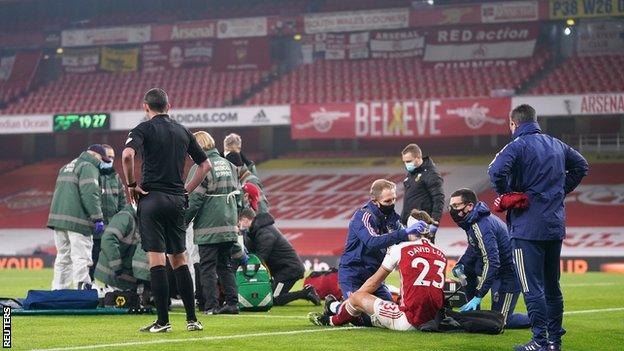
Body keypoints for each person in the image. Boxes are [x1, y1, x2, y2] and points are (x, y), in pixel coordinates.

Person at [487, 104, 589, 351]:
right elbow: (582, 166)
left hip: (527, 228)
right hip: (554, 225)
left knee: (531, 287)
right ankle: (554, 342)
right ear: (535, 120)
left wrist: (508, 194)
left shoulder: (517, 145)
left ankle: (539, 342)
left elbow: (495, 172)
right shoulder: (556, 144)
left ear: (513, 124)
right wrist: (560, 191)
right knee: (552, 287)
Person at [122, 88, 211, 333]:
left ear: (145, 107)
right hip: (176, 199)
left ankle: (163, 322)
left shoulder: (142, 129)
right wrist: (186, 190)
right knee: (180, 257)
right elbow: (205, 164)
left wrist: (131, 185)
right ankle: (193, 319)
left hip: (151, 198)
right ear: (169, 107)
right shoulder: (183, 131)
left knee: (156, 260)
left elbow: (128, 155)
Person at [331, 179, 427, 320]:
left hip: (375, 277)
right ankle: (333, 306)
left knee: (389, 316)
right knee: (360, 317)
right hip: (353, 274)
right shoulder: (363, 216)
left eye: (394, 199)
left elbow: (406, 238)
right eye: (388, 201)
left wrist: (421, 233)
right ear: (375, 200)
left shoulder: (394, 220)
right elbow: (372, 241)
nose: (392, 204)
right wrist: (405, 233)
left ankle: (339, 306)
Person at [309, 237, 446, 331]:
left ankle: (332, 320)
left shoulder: (401, 248)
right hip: (434, 319)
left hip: (409, 320)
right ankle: (334, 306)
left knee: (357, 298)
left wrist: (355, 298)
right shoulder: (441, 253)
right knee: (384, 304)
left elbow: (373, 283)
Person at [447, 188, 529, 329]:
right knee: (464, 270)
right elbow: (474, 248)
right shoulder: (473, 221)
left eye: (456, 206)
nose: (452, 210)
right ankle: (474, 310)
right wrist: (461, 264)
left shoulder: (481, 225)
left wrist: (480, 294)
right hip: (497, 271)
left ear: (469, 206)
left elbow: (492, 262)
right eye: (451, 206)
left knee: (499, 321)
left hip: (507, 275)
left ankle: (540, 317)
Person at [184, 131, 241, 315]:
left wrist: (183, 221)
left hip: (209, 227)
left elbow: (194, 200)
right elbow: (239, 198)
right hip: (229, 224)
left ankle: (211, 306)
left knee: (207, 267)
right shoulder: (230, 165)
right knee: (225, 265)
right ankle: (232, 303)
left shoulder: (201, 166)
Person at [47, 145, 109, 290]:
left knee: (63, 257)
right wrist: (97, 218)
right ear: (94, 155)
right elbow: (90, 193)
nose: (102, 162)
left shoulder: (67, 166)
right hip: (78, 220)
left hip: (59, 220)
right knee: (81, 256)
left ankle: (58, 289)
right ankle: (83, 287)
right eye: (101, 159)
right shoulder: (88, 166)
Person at [238, 208, 321, 306]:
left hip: (289, 270)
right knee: (269, 296)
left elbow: (260, 257)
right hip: (284, 269)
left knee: (274, 298)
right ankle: (306, 292)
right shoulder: (259, 230)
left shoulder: (265, 233)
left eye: (240, 221)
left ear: (246, 219)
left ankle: (306, 292)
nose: (239, 224)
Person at [91, 144, 127, 280]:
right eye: (108, 156)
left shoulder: (115, 178)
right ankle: (92, 284)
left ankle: (108, 285)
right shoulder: (92, 174)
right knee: (93, 258)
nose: (110, 159)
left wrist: (122, 224)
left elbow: (122, 202)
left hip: (111, 229)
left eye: (112, 157)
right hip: (95, 228)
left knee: (111, 261)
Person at [400, 144, 445, 239]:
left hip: (423, 226)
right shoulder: (412, 173)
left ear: (418, 158)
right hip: (409, 225)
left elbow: (438, 199)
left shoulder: (431, 175)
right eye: (404, 162)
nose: (406, 164)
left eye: (408, 161)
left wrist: (434, 223)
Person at [94, 204, 141, 291]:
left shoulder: (142, 219)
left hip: (126, 282)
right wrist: (117, 267)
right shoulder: (126, 217)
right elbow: (108, 239)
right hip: (110, 280)